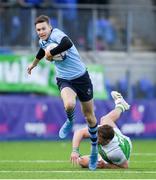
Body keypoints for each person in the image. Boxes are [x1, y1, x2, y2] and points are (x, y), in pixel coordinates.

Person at [27, 15, 98, 170]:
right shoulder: (43, 40)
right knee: (69, 104)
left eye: (43, 28)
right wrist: (33, 64)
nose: (41, 32)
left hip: (81, 78)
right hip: (64, 79)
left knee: (89, 117)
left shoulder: (57, 34)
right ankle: (70, 120)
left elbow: (67, 43)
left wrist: (51, 54)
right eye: (38, 30)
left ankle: (94, 150)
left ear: (50, 27)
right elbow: (41, 51)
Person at [71, 91, 132, 169]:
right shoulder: (100, 131)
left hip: (123, 147)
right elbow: (79, 132)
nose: (94, 137)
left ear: (106, 141)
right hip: (115, 139)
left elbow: (125, 166)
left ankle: (121, 106)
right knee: (105, 119)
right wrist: (75, 150)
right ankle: (121, 106)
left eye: (98, 138)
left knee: (82, 161)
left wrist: (105, 166)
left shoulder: (115, 153)